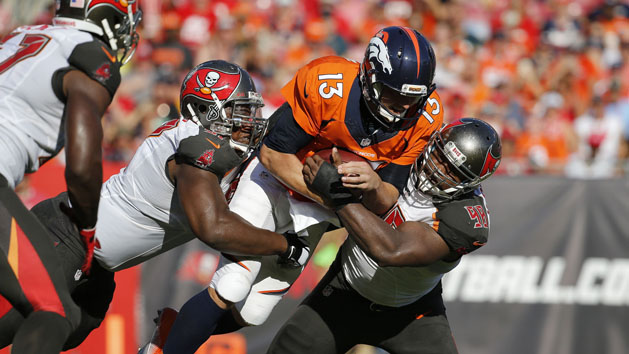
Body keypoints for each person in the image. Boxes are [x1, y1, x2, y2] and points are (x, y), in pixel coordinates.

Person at [159, 25, 445, 354]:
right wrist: (326, 191)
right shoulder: (329, 85)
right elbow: (271, 152)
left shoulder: (424, 118)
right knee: (233, 283)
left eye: (412, 99)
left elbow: (388, 200)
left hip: (319, 210)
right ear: (369, 76)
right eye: (394, 95)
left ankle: (173, 330)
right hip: (274, 182)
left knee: (253, 313)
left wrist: (373, 184)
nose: (402, 108)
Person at [0, 60, 310, 351]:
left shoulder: (210, 145)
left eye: (250, 110)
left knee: (72, 328)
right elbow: (213, 227)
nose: (249, 121)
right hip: (65, 237)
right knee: (26, 324)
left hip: (96, 260)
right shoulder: (197, 144)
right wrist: (284, 246)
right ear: (205, 110)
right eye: (239, 110)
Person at [268, 117, 502, 353]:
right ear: (434, 143)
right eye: (440, 156)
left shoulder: (466, 219)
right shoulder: (406, 152)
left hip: (411, 315)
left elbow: (391, 250)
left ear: (471, 183)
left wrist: (338, 196)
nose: (437, 169)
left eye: (453, 170)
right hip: (344, 291)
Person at [0, 0, 141, 353]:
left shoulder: (23, 35)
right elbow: (81, 165)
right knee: (54, 310)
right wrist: (89, 225)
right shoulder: (89, 55)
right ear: (106, 16)